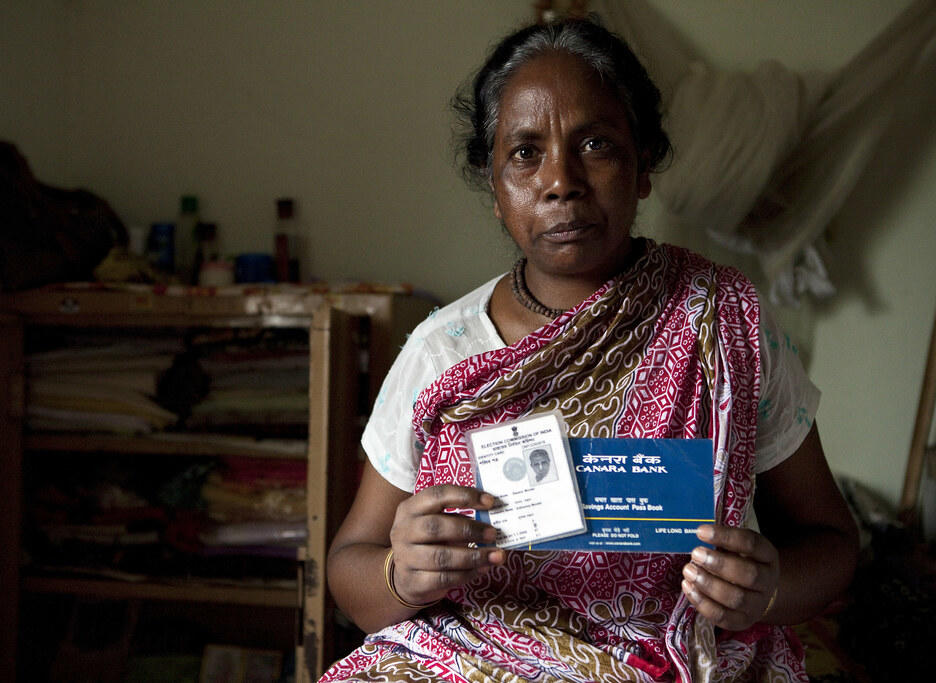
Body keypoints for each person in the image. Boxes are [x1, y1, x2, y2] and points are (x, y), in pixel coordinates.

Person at [321, 15, 857, 683]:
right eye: (524, 152)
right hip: (473, 658)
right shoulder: (443, 351)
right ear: (494, 190)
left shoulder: (725, 325)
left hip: (682, 659)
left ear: (642, 168)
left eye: (596, 143)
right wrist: (402, 572)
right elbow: (349, 565)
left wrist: (767, 590)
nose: (560, 180)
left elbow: (834, 543)